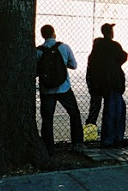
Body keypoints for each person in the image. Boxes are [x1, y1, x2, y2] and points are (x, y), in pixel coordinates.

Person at [37, 24, 84, 156]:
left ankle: (48, 147)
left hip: (46, 90)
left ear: (42, 35)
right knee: (74, 113)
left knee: (47, 118)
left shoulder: (38, 51)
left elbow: (36, 71)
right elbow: (73, 65)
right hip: (64, 87)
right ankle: (77, 143)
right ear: (54, 33)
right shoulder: (64, 47)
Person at [86, 23, 128, 148]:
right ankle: (112, 138)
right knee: (114, 111)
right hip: (112, 82)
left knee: (105, 110)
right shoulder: (114, 46)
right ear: (110, 32)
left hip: (100, 83)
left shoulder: (97, 47)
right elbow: (122, 57)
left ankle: (108, 137)